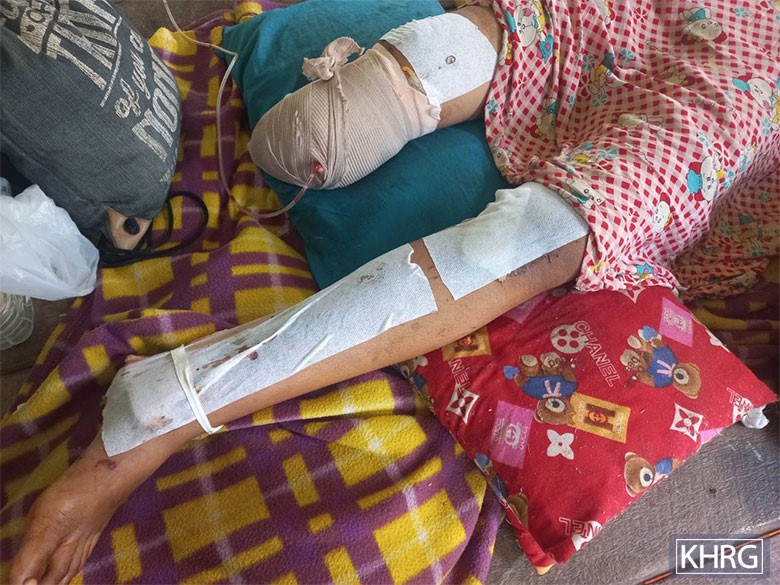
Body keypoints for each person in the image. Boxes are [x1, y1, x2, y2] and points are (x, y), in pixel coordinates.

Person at [10, 0, 778, 582]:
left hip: (733, 105)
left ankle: (163, 404)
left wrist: (167, 414)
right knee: (309, 140)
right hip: (613, 22)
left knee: (532, 240)